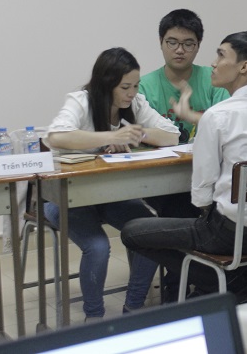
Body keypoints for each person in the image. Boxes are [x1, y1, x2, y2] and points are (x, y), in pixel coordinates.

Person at [121, 32, 247, 302]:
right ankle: (234, 283)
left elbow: (202, 192)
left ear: (244, 67)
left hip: (228, 233)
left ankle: (233, 285)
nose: (213, 63)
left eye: (221, 55)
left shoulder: (217, 116)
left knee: (132, 232)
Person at [44, 47, 180, 320]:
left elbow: (172, 136)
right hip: (67, 197)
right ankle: (94, 318)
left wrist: (135, 134)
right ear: (106, 85)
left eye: (136, 86)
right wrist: (110, 137)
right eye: (125, 87)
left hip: (110, 195)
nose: (131, 93)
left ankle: (133, 309)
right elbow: (56, 136)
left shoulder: (135, 104)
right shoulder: (81, 101)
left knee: (151, 234)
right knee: (98, 247)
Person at [139, 9, 229, 219]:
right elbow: (139, 136)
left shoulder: (214, 79)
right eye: (172, 42)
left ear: (198, 46)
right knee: (180, 210)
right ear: (161, 42)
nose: (180, 50)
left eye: (188, 44)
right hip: (162, 176)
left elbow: (227, 126)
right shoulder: (143, 86)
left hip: (211, 173)